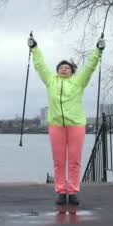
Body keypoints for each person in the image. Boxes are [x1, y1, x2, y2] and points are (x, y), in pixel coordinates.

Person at [27, 34, 105, 206]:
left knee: (74, 161)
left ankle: (73, 192)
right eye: (61, 67)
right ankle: (61, 192)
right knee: (59, 161)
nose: (64, 69)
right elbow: (40, 66)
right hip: (56, 126)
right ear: (57, 71)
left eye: (67, 67)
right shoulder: (50, 81)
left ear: (72, 71)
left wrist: (98, 50)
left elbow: (90, 67)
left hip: (76, 125)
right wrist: (34, 47)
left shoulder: (78, 82)